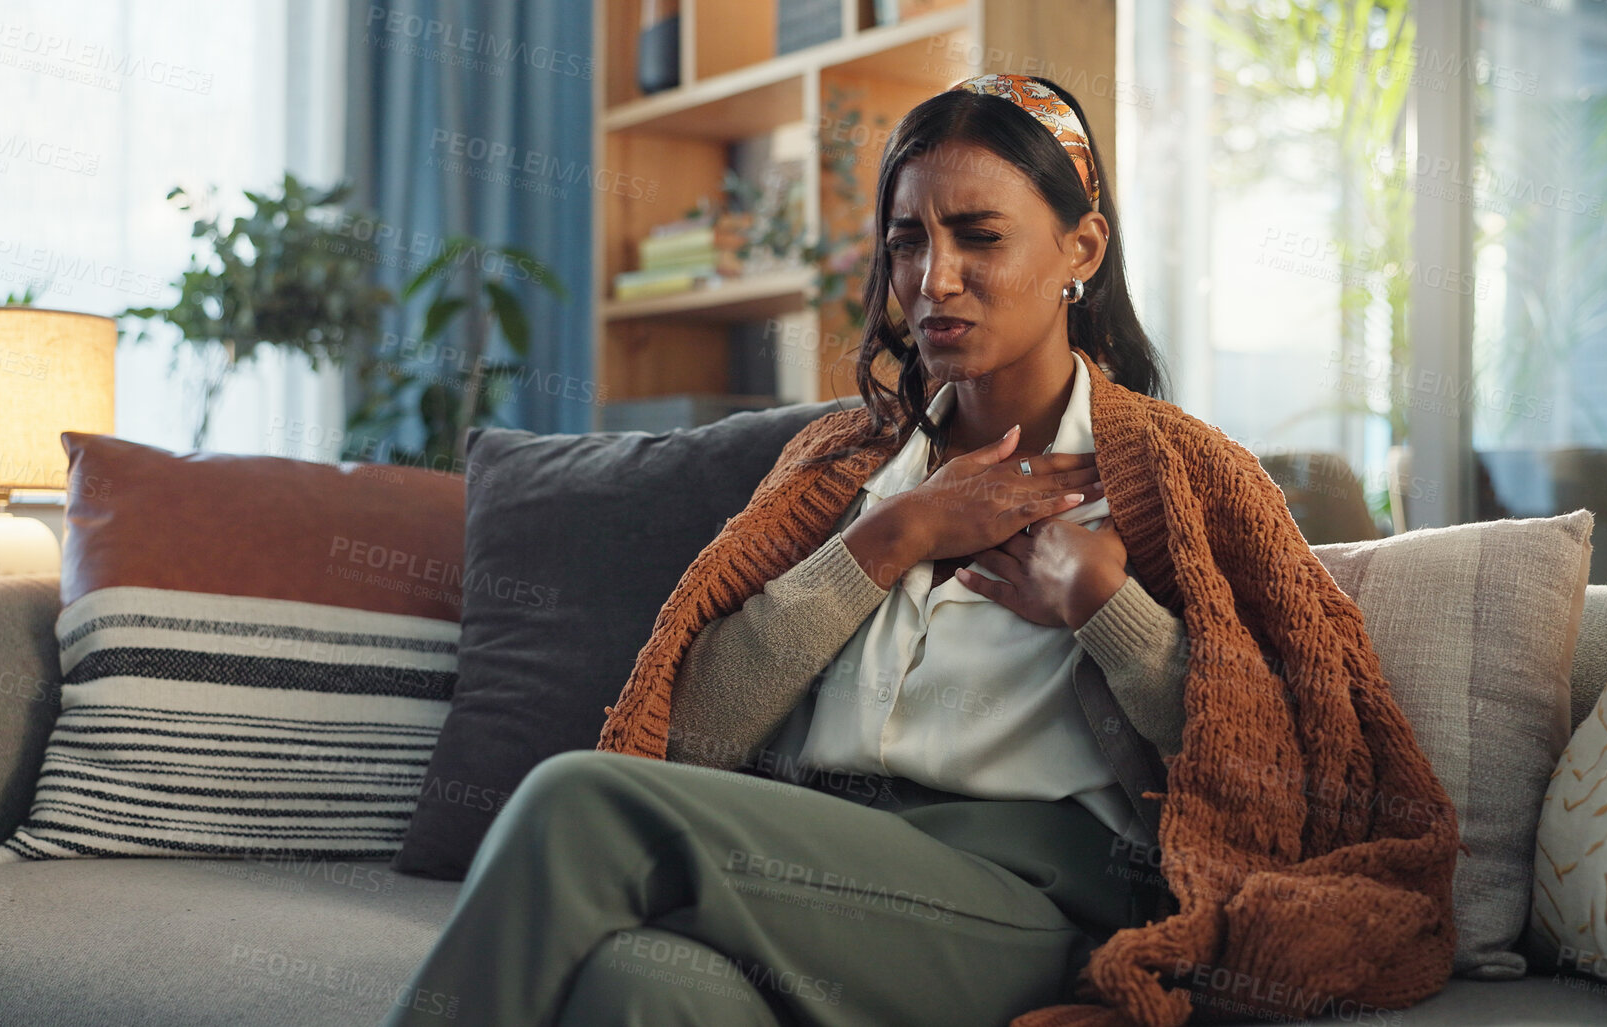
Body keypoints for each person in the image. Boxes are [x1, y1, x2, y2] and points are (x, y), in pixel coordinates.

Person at [384, 75, 1457, 1027]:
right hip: (808, 864)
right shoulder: (842, 468)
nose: (933, 277)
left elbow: (1279, 782)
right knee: (647, 983)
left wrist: (1111, 611)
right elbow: (694, 734)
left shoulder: (1182, 477)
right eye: (907, 238)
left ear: (1079, 251)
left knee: (580, 799)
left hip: (1024, 898)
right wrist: (890, 539)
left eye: (979, 236)